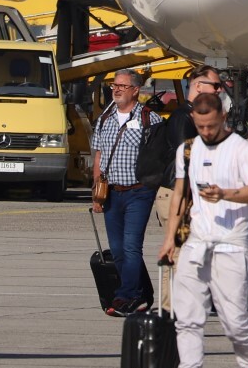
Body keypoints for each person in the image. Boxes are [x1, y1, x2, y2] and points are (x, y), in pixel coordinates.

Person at [157, 93, 248, 368]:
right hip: (197, 242)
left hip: (231, 245)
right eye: (200, 126)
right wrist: (170, 238)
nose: (205, 131)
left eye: (211, 126)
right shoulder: (188, 150)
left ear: (222, 117)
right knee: (187, 318)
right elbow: (179, 195)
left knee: (236, 325)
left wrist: (225, 194)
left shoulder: (243, 150)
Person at [152, 66, 226, 309]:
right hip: (178, 193)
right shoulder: (183, 117)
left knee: (192, 254)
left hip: (189, 194)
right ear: (197, 86)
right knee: (178, 253)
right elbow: (187, 156)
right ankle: (170, 311)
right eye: (215, 86)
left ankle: (181, 308)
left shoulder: (197, 117)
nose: (219, 90)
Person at [91, 70, 162, 317]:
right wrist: (96, 192)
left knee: (132, 246)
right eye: (114, 85)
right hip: (111, 192)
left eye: (122, 86)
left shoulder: (150, 119)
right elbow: (98, 155)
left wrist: (153, 187)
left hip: (138, 192)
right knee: (118, 248)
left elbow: (159, 157)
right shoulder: (105, 119)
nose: (117, 89)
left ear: (135, 90)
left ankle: (126, 295)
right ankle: (140, 293)